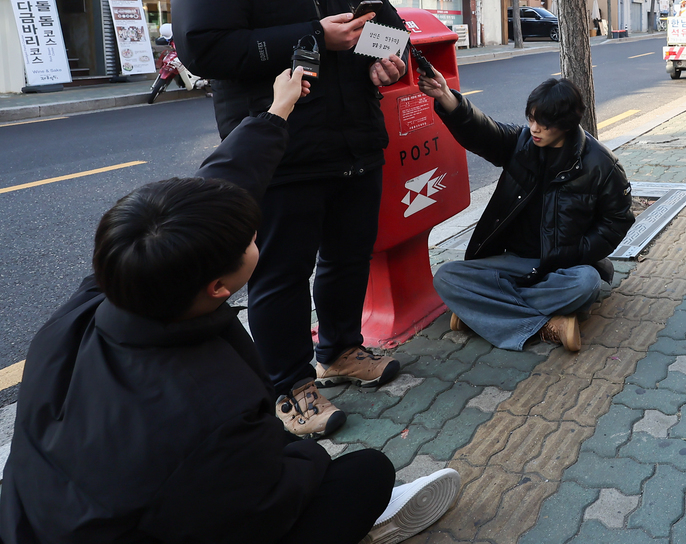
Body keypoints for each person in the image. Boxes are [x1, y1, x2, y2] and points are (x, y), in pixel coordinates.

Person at [0, 69, 461, 544]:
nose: (256, 236)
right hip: (173, 515)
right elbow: (268, 497)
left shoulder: (92, 302)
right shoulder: (216, 408)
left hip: (37, 521)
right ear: (219, 287)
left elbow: (216, 187)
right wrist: (312, 464)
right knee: (368, 472)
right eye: (250, 239)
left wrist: (277, 111)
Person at [171, 0, 409, 438]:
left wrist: (389, 63)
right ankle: (289, 385)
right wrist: (310, 36)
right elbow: (203, 49)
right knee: (281, 272)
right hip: (282, 150)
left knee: (349, 257)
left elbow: (391, 35)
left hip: (356, 143)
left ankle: (340, 350)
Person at [416, 72, 633, 351]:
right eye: (531, 118)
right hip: (514, 261)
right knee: (447, 277)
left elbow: (618, 220)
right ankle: (548, 325)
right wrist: (446, 96)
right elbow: (483, 132)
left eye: (544, 123)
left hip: (560, 268)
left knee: (586, 283)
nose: (534, 128)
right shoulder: (520, 143)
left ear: (566, 124)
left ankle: (483, 310)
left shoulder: (601, 165)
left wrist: (575, 253)